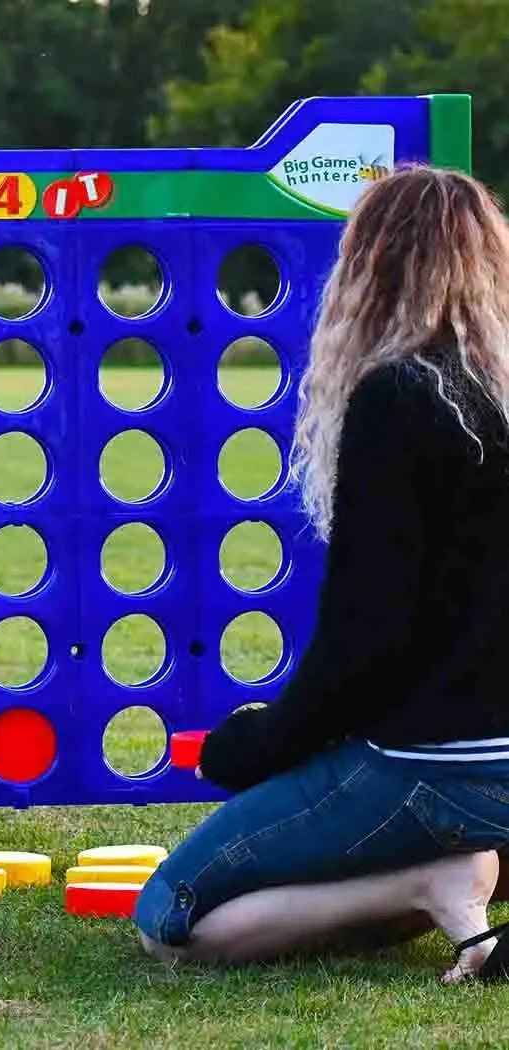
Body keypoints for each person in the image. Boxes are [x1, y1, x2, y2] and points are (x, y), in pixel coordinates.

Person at [133, 164, 509, 984]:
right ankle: (458, 870)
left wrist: (264, 745)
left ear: (370, 266)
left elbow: (369, 636)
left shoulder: (399, 398)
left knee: (172, 915)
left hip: (437, 765)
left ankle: (432, 877)